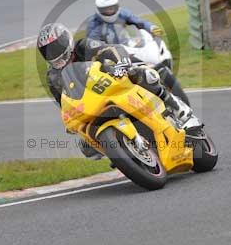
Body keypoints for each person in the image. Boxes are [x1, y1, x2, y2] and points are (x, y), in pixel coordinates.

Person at [37, 23, 188, 159]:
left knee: (143, 75)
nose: (53, 53)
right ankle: (120, 153)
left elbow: (110, 49)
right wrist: (70, 117)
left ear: (66, 40)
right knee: (87, 148)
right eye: (48, 51)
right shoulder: (52, 77)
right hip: (91, 102)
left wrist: (121, 62)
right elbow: (63, 102)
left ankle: (176, 105)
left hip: (113, 78)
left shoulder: (83, 46)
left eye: (56, 46)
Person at [86, 0, 163, 44]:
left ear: (117, 6)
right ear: (99, 10)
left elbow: (139, 22)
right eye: (106, 9)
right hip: (106, 51)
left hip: (126, 46)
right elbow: (92, 42)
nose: (109, 11)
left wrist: (151, 27)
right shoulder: (93, 22)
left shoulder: (123, 14)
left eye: (112, 8)